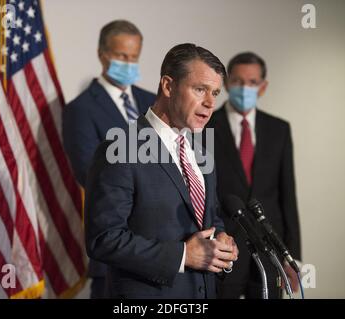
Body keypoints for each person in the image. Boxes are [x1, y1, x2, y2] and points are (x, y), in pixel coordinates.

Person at [85, 43, 238, 298]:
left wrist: (221, 240)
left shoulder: (202, 153)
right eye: (200, 89)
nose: (210, 103)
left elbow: (209, 218)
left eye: (215, 93)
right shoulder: (120, 149)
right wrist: (183, 255)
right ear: (168, 86)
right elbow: (104, 239)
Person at [62, 20, 156, 298]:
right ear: (102, 54)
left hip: (162, 250)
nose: (128, 64)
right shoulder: (80, 109)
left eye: (134, 57)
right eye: (121, 56)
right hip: (114, 249)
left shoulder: (153, 102)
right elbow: (90, 174)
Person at [206, 52, 301, 299]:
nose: (244, 88)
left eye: (252, 82)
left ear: (263, 86)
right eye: (237, 81)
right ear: (226, 83)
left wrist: (291, 256)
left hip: (271, 247)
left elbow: (287, 195)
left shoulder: (279, 129)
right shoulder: (205, 127)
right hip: (225, 246)